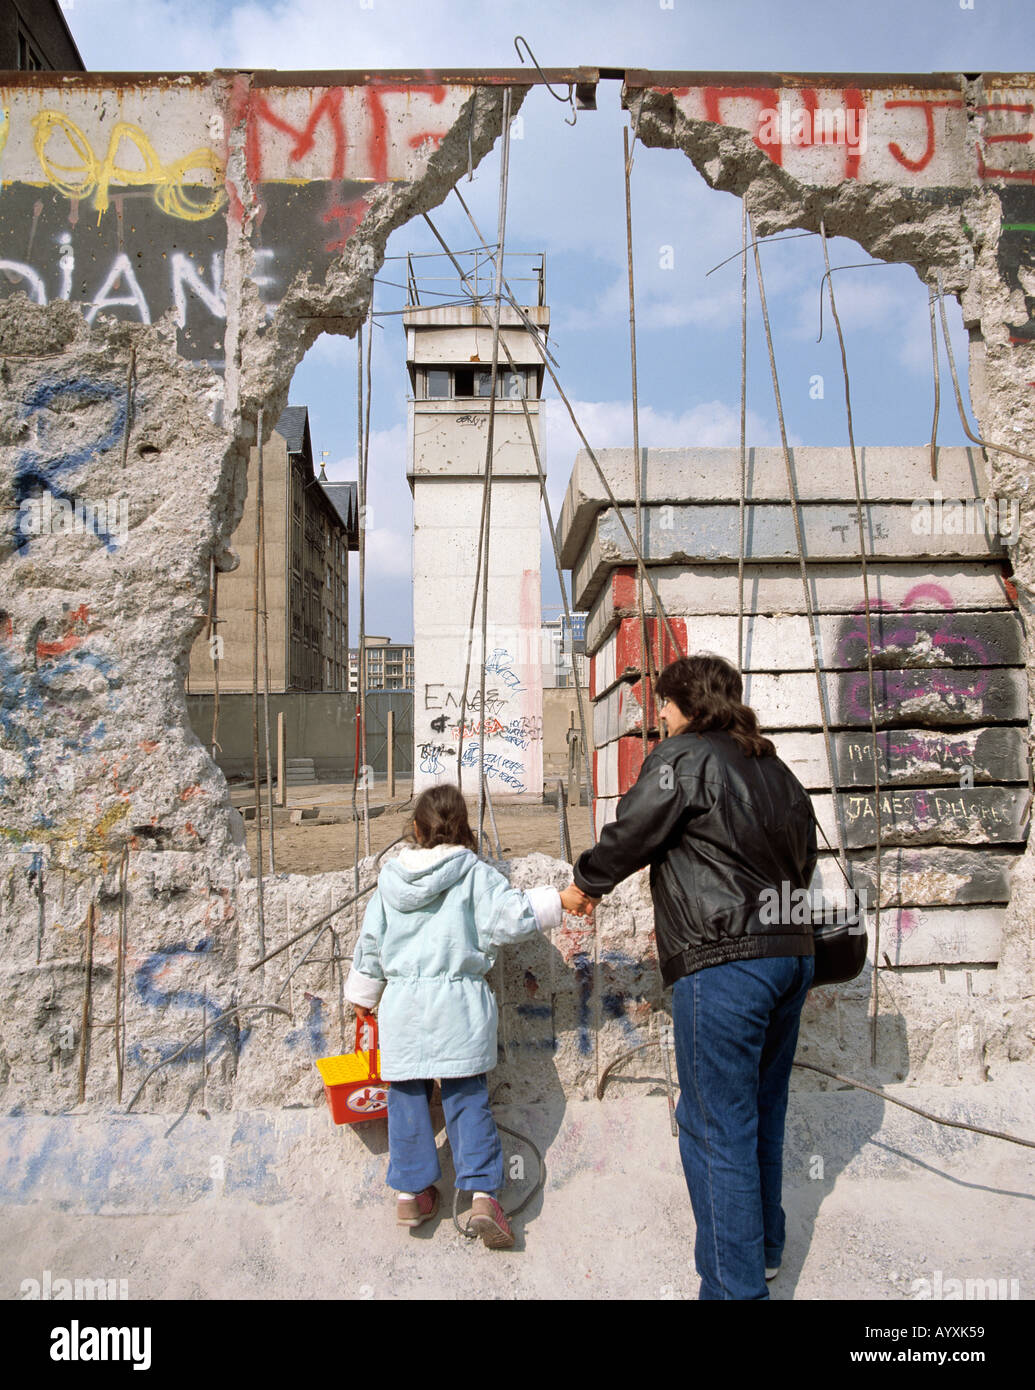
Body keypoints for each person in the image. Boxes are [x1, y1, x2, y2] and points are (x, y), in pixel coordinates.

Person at [566, 654, 817, 1299]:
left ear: (687, 706)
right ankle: (762, 1251)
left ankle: (734, 1290)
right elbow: (804, 857)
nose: (658, 716)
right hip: (791, 954)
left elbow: (633, 831)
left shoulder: (684, 758)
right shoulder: (775, 766)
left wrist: (586, 883)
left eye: (664, 704)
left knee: (713, 1128)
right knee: (762, 1110)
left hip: (725, 960)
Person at [346, 781, 590, 1249]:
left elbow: (371, 944)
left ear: (415, 829)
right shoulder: (475, 875)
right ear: (464, 831)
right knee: (465, 1098)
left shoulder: (390, 882)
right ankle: (481, 1194)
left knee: (407, 1099)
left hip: (404, 1010)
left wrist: (363, 993)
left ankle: (411, 1192)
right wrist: (559, 900)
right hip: (458, 1007)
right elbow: (511, 916)